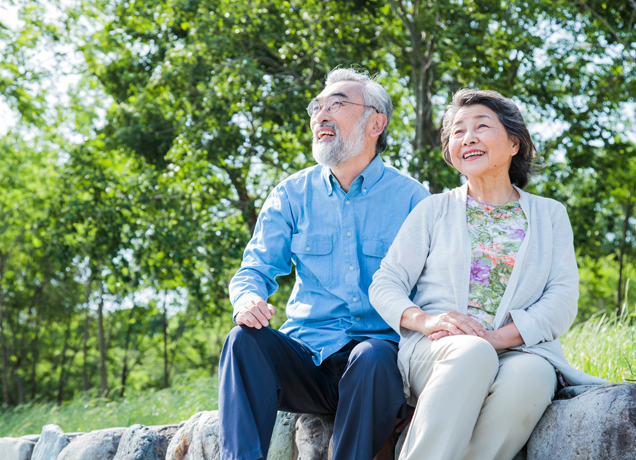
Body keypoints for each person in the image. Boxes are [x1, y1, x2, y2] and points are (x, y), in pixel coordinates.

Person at [370, 89, 606, 460]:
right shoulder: (434, 209)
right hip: (437, 350)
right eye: (458, 132)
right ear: (451, 151)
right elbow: (385, 283)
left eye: (482, 126)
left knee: (533, 377)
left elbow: (561, 299)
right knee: (473, 353)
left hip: (521, 349)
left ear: (514, 143)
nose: (469, 138)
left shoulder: (550, 215)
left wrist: (501, 338)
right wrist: (428, 321)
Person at [218, 68, 429, 460]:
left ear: (375, 123)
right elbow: (254, 269)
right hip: (306, 358)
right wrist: (247, 299)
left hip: (375, 365)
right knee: (243, 341)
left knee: (372, 355)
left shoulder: (414, 200)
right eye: (317, 106)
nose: (321, 114)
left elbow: (435, 289)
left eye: (337, 104)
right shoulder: (291, 194)